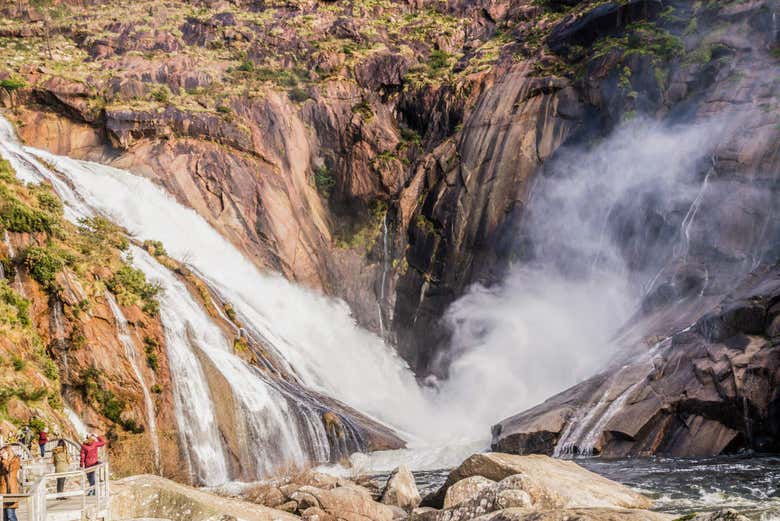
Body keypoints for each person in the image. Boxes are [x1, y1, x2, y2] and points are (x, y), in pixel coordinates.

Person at [0, 447, 20, 521]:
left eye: (3, 453)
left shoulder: (15, 460)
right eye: (0, 454)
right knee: (4, 517)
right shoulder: (1, 462)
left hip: (11, 491)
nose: (1, 455)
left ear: (8, 452)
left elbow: (9, 470)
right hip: (3, 491)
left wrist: (4, 461)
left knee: (10, 515)